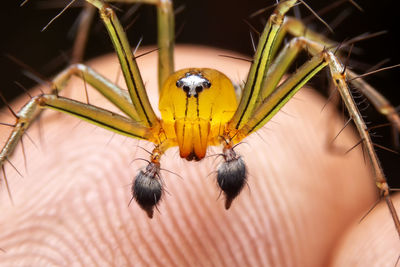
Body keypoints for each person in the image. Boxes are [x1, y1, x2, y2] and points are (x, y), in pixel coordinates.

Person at [0, 46, 398, 266]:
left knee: (301, 39)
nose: (194, 151)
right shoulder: (158, 122)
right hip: (180, 118)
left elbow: (318, 53)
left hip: (221, 115)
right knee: (65, 83)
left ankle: (385, 134)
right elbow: (70, 78)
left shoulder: (235, 120)